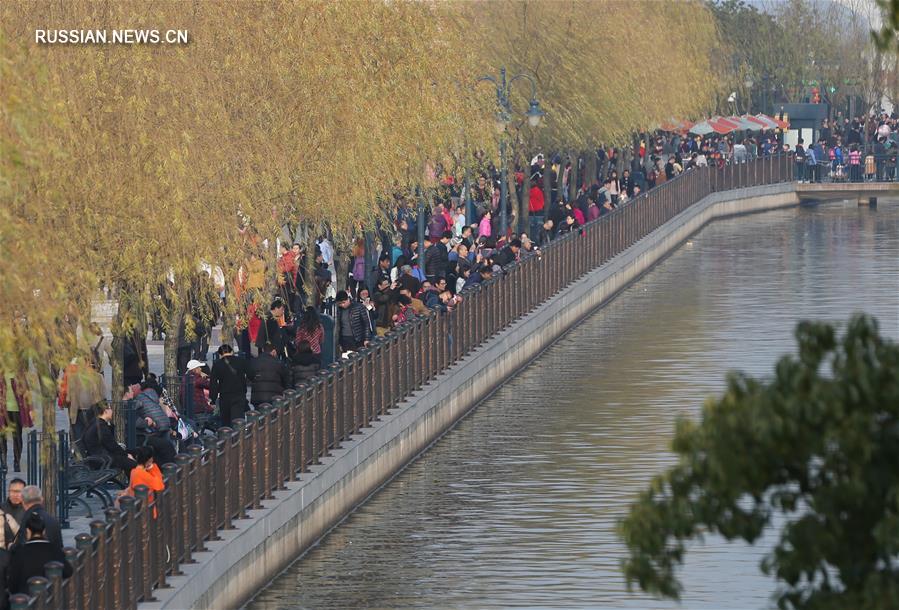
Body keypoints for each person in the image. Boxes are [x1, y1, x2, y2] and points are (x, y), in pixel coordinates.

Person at [7, 512, 71, 595]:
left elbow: (12, 584)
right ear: (44, 531)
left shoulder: (20, 552)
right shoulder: (54, 549)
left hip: (26, 600)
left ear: (28, 531)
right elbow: (68, 571)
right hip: (51, 598)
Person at [58, 356, 107, 445]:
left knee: (78, 439)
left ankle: (79, 456)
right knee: (92, 438)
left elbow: (68, 397)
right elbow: (103, 396)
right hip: (93, 412)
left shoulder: (72, 378)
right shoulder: (99, 377)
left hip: (77, 413)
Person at [133, 376, 177, 465]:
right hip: (164, 424)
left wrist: (148, 422)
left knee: (165, 447)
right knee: (167, 446)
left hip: (154, 428)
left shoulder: (138, 399)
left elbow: (138, 421)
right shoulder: (153, 396)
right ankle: (172, 467)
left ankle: (169, 467)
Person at [83, 403, 136, 475]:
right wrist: (126, 455)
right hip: (103, 458)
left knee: (131, 455)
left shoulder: (95, 424)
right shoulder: (101, 427)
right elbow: (112, 445)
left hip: (98, 456)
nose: (112, 411)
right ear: (105, 411)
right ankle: (135, 485)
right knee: (133, 464)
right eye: (110, 408)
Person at [0, 371, 34, 473]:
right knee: (2, 437)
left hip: (16, 410)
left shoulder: (19, 375)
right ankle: (3, 461)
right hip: (2, 411)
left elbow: (26, 393)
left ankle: (16, 462)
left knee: (17, 437)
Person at [10, 486, 62, 552]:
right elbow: (60, 548)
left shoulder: (27, 520)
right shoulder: (53, 520)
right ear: (42, 499)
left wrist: (11, 546)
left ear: (23, 502)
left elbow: (20, 547)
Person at [209, 344, 249, 428]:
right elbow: (250, 374)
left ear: (220, 354)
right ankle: (239, 438)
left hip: (225, 396)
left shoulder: (217, 364)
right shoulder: (241, 361)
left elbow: (213, 383)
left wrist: (213, 399)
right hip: (239, 394)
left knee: (226, 422)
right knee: (238, 420)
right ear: (232, 352)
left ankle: (227, 438)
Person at [124, 446, 165, 519]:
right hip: (146, 511)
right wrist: (152, 467)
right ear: (149, 459)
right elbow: (160, 485)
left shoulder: (134, 471)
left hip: (137, 508)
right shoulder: (142, 474)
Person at [249, 343, 290, 407]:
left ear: (263, 350)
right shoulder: (278, 363)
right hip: (274, 396)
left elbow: (250, 377)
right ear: (273, 351)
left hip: (257, 397)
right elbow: (285, 379)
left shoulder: (254, 362)